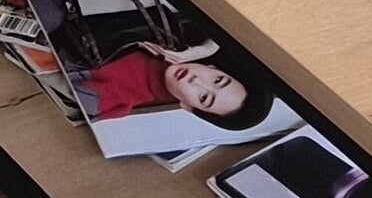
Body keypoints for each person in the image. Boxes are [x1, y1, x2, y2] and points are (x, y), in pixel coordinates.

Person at [80, 40, 274, 131]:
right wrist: (208, 46)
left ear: (188, 107)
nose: (196, 81)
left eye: (204, 97)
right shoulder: (183, 37)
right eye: (218, 80)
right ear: (215, 67)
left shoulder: (114, 98)